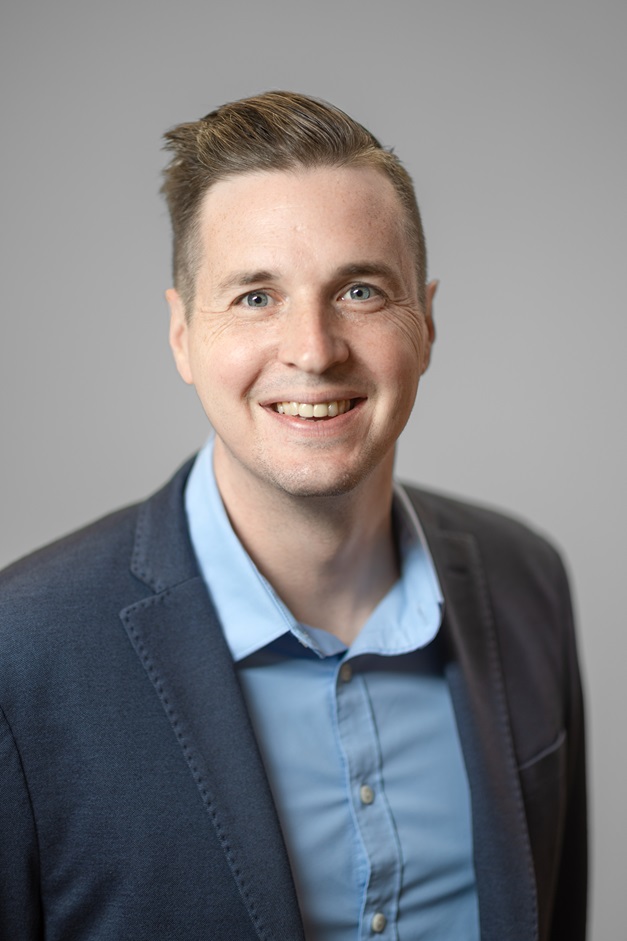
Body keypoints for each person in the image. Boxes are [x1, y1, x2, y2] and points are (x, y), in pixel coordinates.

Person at [0, 91, 586, 941]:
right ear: (181, 334)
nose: (313, 350)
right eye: (254, 297)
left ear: (425, 321)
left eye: (359, 289)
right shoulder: (22, 651)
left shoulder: (525, 578)